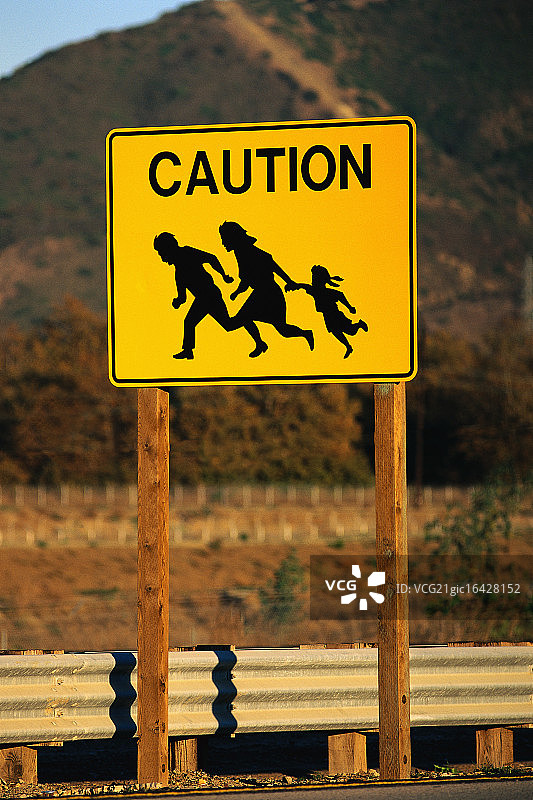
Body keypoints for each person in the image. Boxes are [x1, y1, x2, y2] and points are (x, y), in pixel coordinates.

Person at [153, 231, 266, 359]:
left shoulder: (187, 253)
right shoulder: (178, 272)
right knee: (228, 325)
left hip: (209, 295)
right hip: (204, 298)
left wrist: (223, 276)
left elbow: (211, 258)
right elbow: (183, 297)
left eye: (162, 253)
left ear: (169, 249)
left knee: (190, 322)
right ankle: (258, 339)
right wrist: (177, 301)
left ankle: (188, 350)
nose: (162, 258)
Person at [219, 221, 314, 356]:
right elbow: (249, 278)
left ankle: (264, 343)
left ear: (232, 238)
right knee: (279, 328)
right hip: (265, 292)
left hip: (267, 293)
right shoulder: (241, 252)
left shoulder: (247, 252)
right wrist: (237, 292)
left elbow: (270, 264)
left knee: (239, 322)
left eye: (224, 239)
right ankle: (263, 343)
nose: (223, 243)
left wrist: (289, 281)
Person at [288, 264, 368, 358]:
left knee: (350, 331)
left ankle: (359, 324)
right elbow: (303, 286)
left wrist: (350, 307)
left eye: (315, 278)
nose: (313, 280)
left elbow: (340, 295)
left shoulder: (327, 292)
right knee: (335, 331)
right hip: (326, 315)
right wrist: (294, 286)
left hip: (335, 313)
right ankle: (348, 346)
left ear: (321, 280)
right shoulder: (314, 290)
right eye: (312, 278)